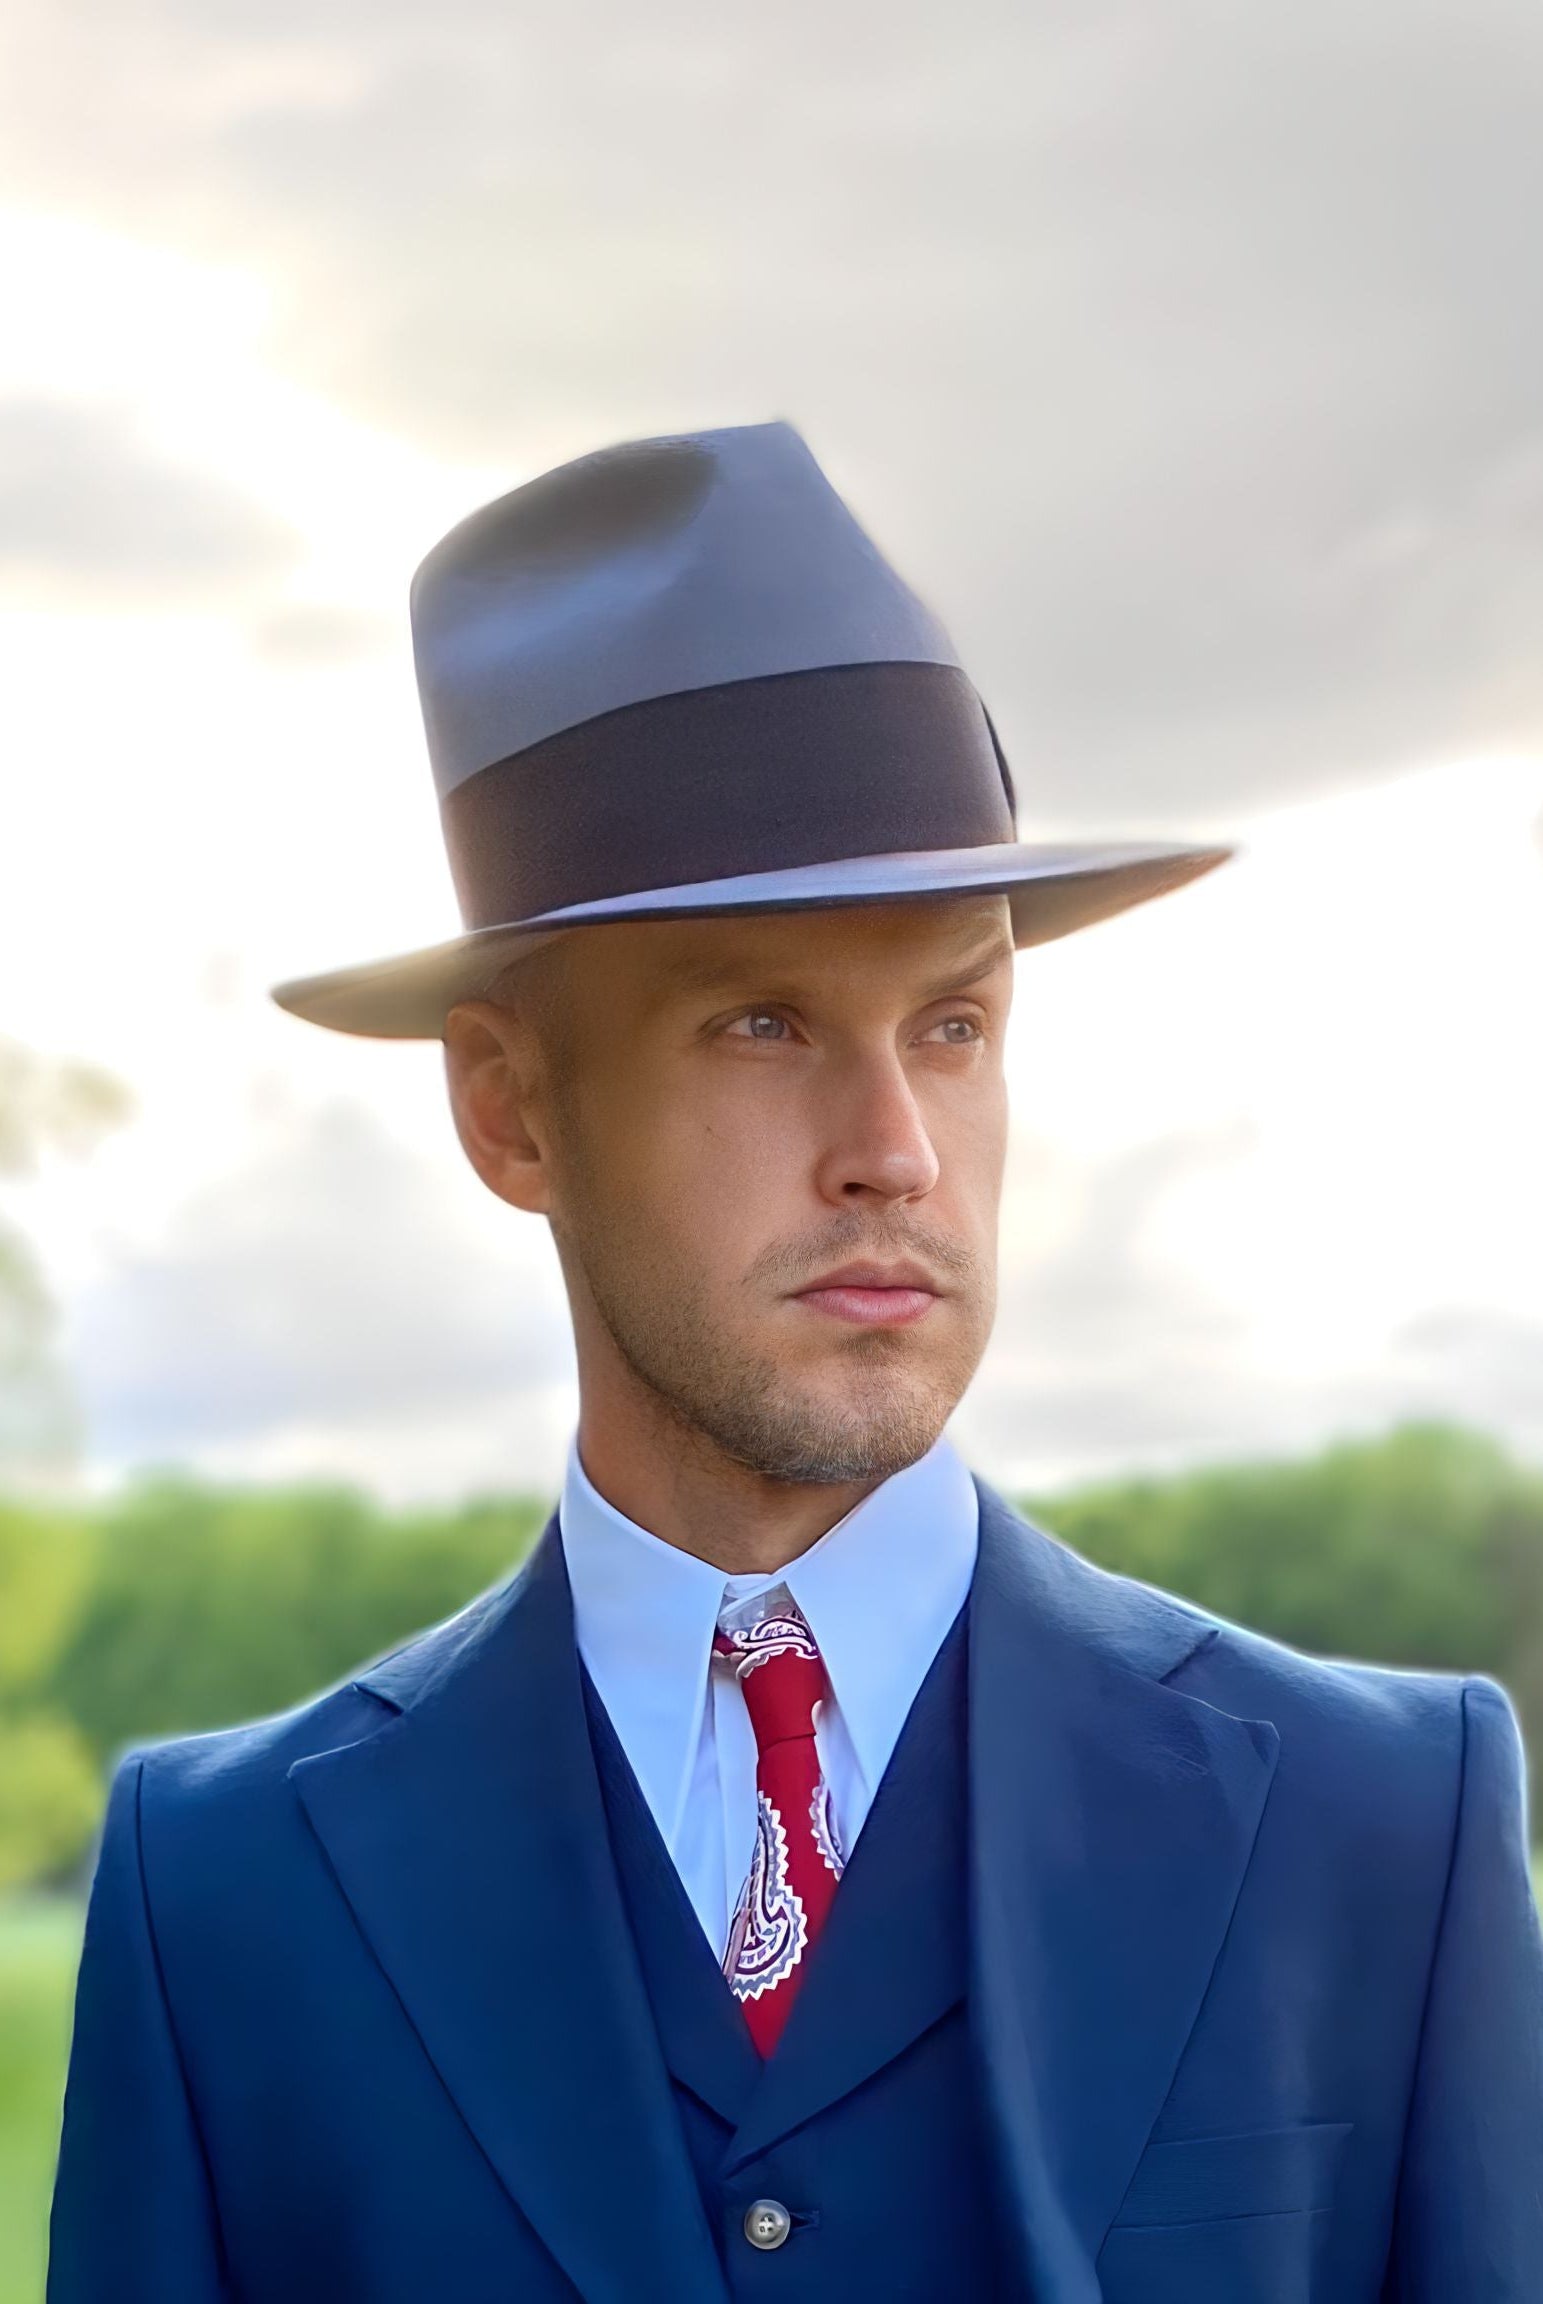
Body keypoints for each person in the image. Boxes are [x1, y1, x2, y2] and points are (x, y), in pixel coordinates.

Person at [48, 421, 1543, 2301]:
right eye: (762, 1021)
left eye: (954, 1021)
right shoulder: (227, 1896)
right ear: (511, 1112)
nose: (896, 1147)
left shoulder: (1383, 1832)